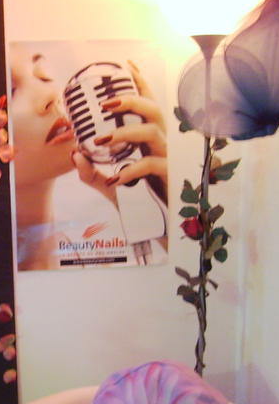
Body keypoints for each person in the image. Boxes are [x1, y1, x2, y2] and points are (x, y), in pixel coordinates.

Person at [9, 44, 168, 270]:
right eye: (12, 92)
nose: (51, 95)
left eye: (43, 74)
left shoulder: (95, 263)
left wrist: (166, 207)